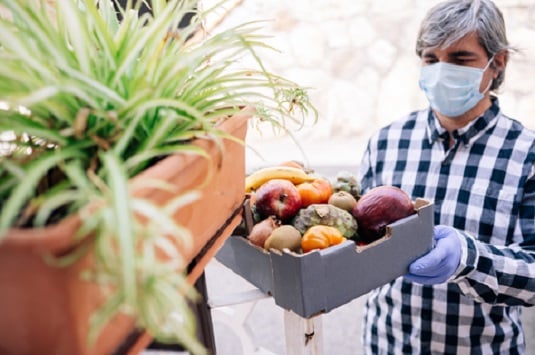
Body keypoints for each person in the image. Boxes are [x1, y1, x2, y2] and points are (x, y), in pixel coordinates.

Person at [358, 0, 535, 353]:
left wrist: (468, 259)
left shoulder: (526, 155)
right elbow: (360, 242)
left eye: (459, 59)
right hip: (385, 344)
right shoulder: (386, 142)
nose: (441, 71)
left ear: (496, 63)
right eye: (430, 59)